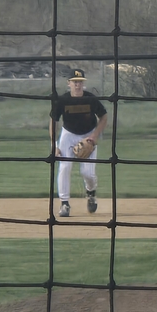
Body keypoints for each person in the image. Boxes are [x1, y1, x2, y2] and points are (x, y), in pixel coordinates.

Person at [50, 69, 108, 216]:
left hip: (88, 135)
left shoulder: (90, 99)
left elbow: (104, 117)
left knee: (87, 173)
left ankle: (91, 194)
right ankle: (64, 204)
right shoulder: (62, 100)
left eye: (80, 82)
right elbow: (53, 121)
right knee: (65, 166)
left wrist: (94, 136)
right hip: (68, 135)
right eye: (75, 82)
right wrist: (54, 145)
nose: (78, 85)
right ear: (69, 83)